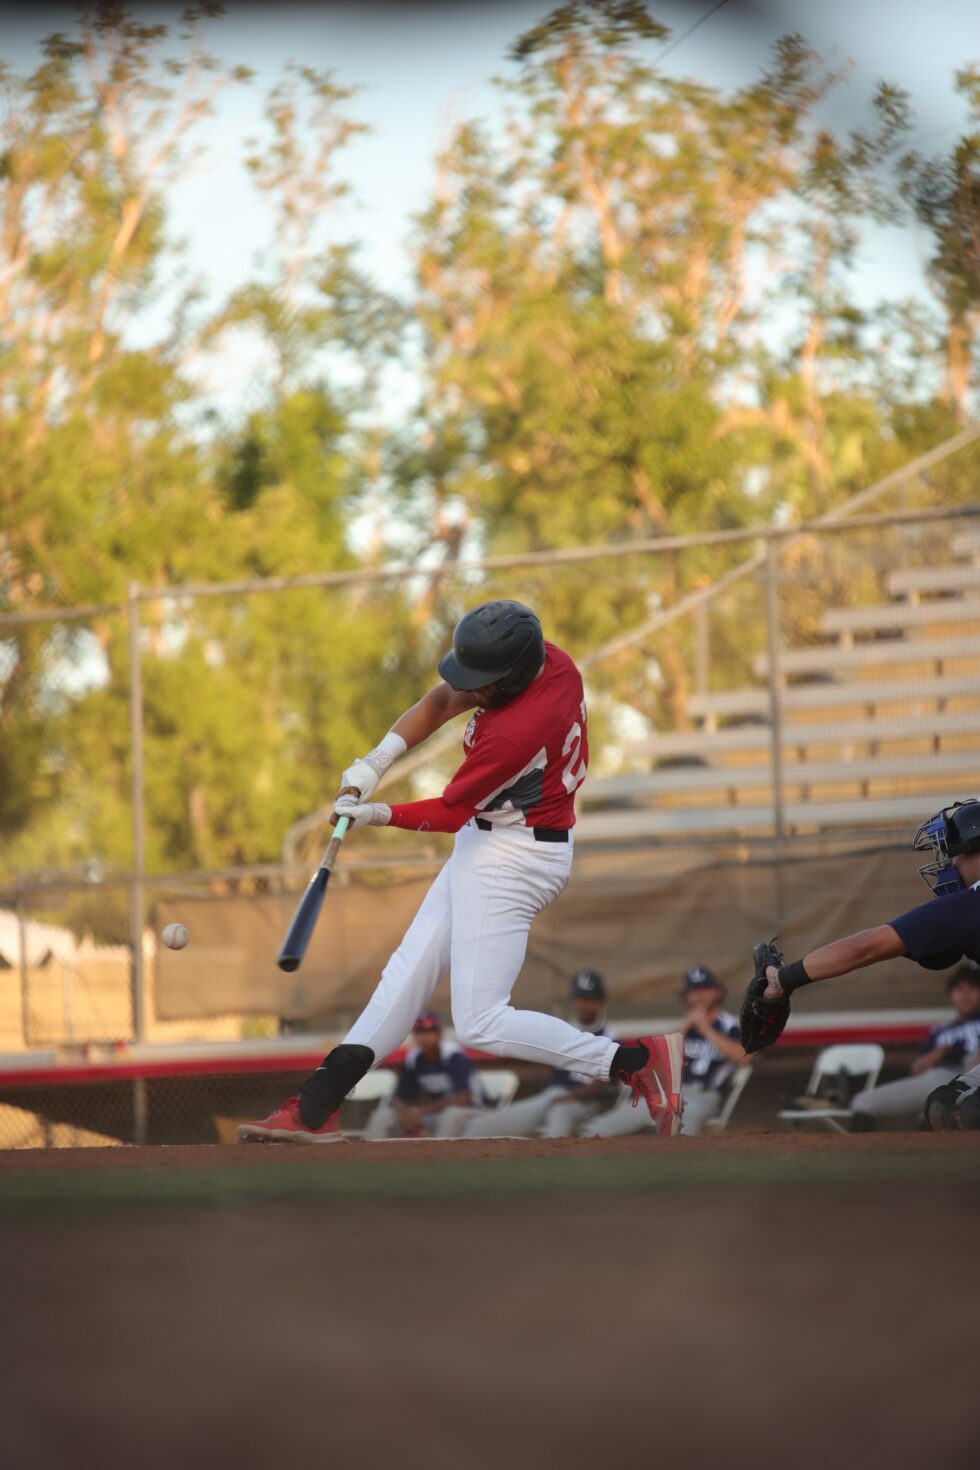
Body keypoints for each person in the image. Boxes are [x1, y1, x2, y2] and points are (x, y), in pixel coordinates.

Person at [239, 601, 683, 1145]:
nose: (472, 688)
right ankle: (316, 1107)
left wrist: (377, 814)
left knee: (480, 1021)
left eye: (485, 682)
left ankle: (637, 1060)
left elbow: (452, 811)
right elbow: (447, 696)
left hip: (517, 858)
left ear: (514, 677)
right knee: (406, 975)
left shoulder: (517, 732)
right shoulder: (552, 662)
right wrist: (374, 764)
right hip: (493, 839)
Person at [739, 799, 980, 1130]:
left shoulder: (970, 905)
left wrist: (782, 978)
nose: (948, 864)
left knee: (957, 1111)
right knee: (949, 1104)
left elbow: (864, 948)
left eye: (954, 853)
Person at [581, 965, 749, 1138]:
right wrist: (686, 1026)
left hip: (704, 1095)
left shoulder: (729, 1026)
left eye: (704, 989)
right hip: (670, 1092)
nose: (698, 996)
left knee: (685, 1115)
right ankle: (588, 1140)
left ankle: (679, 1159)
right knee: (622, 1115)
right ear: (686, 997)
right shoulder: (685, 1027)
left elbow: (745, 1057)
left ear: (717, 992)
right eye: (692, 991)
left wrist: (706, 1030)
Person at [458, 969, 620, 1139]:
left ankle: (556, 1161)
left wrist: (568, 1097)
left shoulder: (610, 1037)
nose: (584, 1005)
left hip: (588, 1102)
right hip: (553, 1095)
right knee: (488, 1125)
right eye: (580, 999)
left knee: (560, 1112)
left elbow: (600, 1086)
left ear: (601, 1001)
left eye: (590, 999)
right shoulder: (568, 1030)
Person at [847, 967, 980, 1130]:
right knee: (863, 1101)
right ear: (952, 994)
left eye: (972, 989)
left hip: (968, 1081)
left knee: (938, 1111)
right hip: (936, 1078)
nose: (965, 995)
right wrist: (941, 1051)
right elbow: (917, 1069)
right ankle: (861, 1152)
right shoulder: (941, 1030)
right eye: (959, 990)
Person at [364, 1011, 483, 1140]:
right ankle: (372, 1156)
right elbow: (401, 1097)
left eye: (430, 1032)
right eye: (420, 1032)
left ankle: (443, 1156)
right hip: (432, 1114)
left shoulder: (454, 1056)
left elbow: (463, 1099)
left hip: (471, 1112)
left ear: (439, 1034)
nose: (425, 1037)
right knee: (382, 1116)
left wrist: (421, 1112)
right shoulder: (414, 1059)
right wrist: (405, 1114)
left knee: (450, 1115)